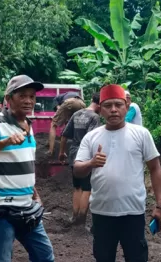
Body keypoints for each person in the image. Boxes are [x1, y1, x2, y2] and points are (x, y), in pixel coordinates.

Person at [74, 84, 161, 262]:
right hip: (102, 213)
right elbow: (77, 170)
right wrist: (91, 163)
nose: (114, 110)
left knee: (136, 257)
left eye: (118, 105)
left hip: (133, 213)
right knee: (103, 257)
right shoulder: (91, 137)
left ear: (127, 106)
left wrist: (160, 206)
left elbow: (155, 169)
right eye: (108, 106)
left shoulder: (141, 134)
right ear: (100, 109)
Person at [0, 75, 55, 262]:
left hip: (27, 208)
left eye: (32, 96)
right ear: (8, 99)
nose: (28, 100)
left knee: (45, 257)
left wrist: (35, 194)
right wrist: (4, 142)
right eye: (22, 95)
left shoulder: (28, 125)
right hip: (2, 210)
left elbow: (25, 165)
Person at [58, 92, 102, 225]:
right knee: (87, 188)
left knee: (77, 187)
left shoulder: (76, 114)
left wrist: (61, 152)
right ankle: (81, 220)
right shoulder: (95, 117)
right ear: (100, 104)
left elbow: (65, 135)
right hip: (85, 154)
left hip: (73, 153)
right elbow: (91, 139)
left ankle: (74, 216)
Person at [48, 91, 84, 156]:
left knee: (53, 125)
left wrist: (58, 111)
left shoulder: (56, 99)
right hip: (82, 103)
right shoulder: (68, 94)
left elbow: (58, 108)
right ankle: (82, 149)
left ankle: (51, 151)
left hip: (70, 102)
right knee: (80, 127)